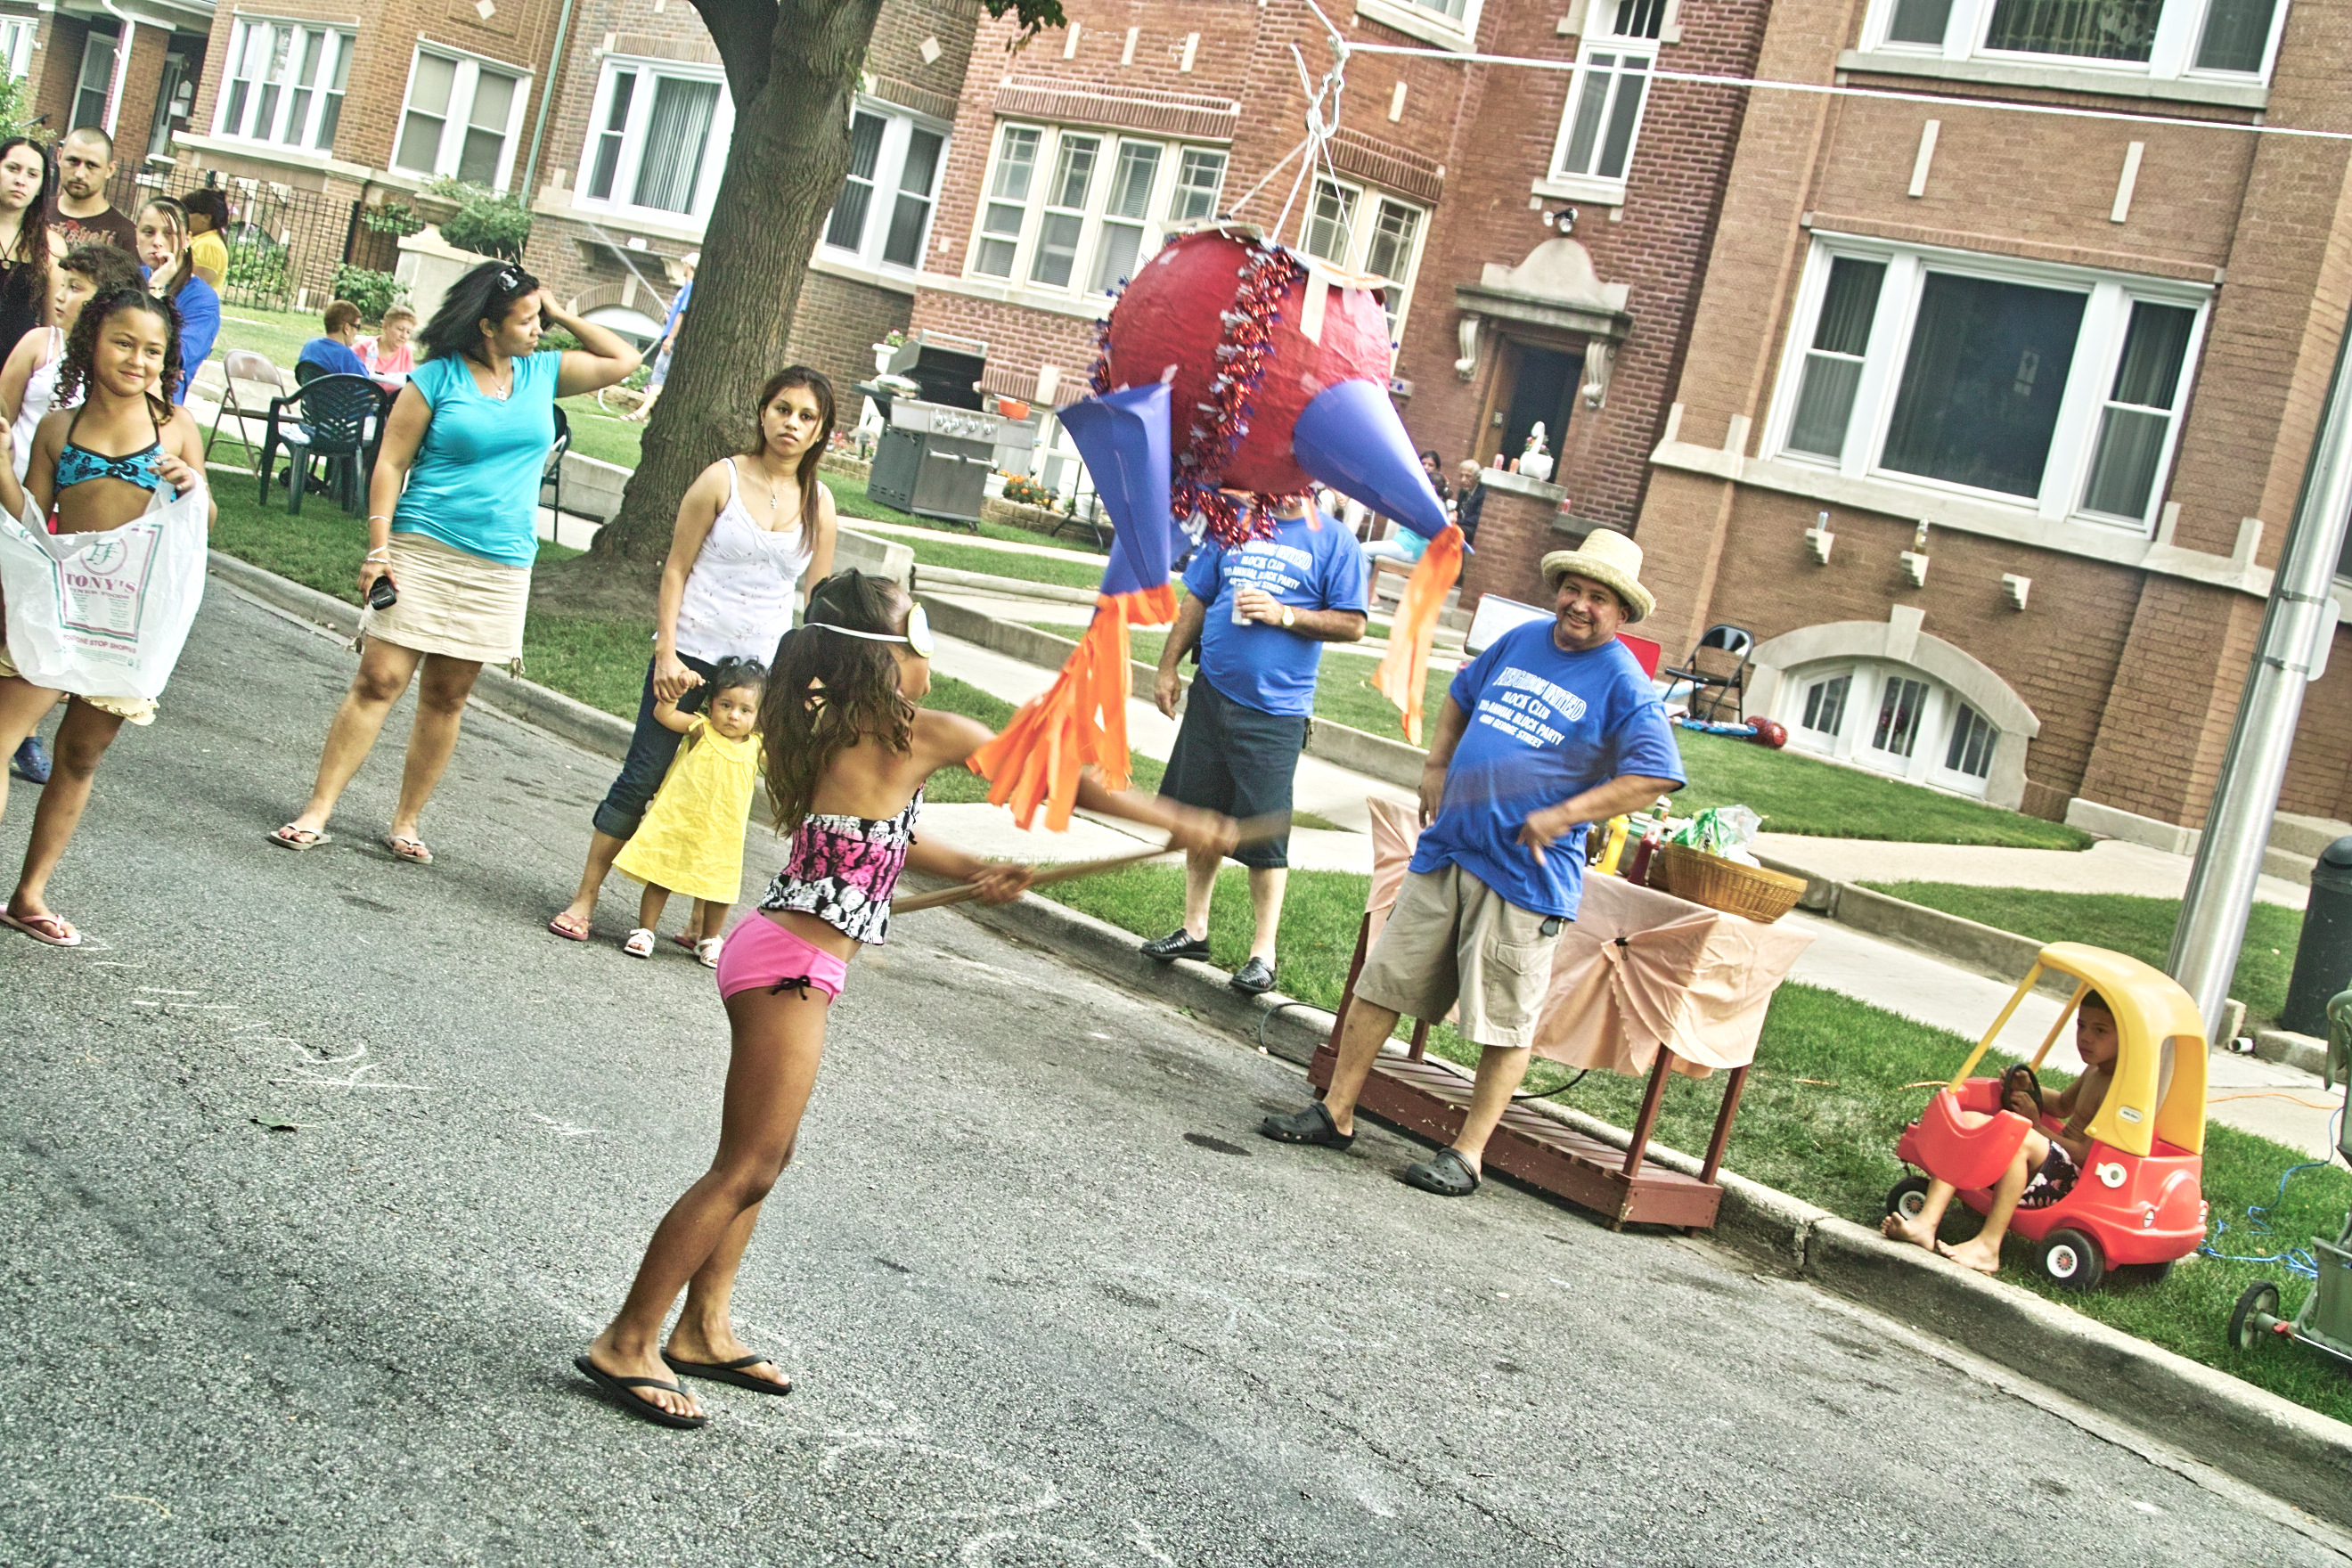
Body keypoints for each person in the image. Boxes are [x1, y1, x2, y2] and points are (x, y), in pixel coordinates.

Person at [573, 570, 1239, 1427]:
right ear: (886, 654)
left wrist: (974, 869)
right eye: (918, 631)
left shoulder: (838, 728)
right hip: (789, 970)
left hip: (779, 956)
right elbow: (1051, 774)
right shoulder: (918, 731)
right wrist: (1181, 821)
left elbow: (889, 833)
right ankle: (627, 1339)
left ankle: (703, 1328)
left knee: (764, 1159)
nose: (931, 653)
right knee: (745, 1167)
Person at [1260, 530, 1686, 1196]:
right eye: (1573, 589)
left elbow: (1656, 775)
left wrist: (1566, 815)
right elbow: (1461, 694)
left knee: (1506, 1022)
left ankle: (1467, 1155)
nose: (1579, 604)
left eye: (1598, 598)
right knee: (1381, 983)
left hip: (1525, 877)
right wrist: (1436, 763)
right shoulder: (1522, 641)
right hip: (1450, 846)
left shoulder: (1625, 684)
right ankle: (1335, 1113)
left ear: (1621, 612)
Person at [267, 262, 639, 862]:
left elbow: (625, 360)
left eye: (539, 320)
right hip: (424, 546)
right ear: (487, 326)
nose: (538, 330)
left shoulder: (542, 372)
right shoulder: (435, 379)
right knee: (379, 679)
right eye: (526, 320)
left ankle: (407, 822)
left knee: (447, 696)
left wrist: (558, 311)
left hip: (499, 563)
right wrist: (379, 549)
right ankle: (318, 809)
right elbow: (390, 464)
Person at [549, 366, 838, 942]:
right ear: (763, 412)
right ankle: (585, 897)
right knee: (643, 778)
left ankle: (698, 923)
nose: (792, 423)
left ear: (820, 431)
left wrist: (812, 681)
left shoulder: (820, 503)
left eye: (807, 416)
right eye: (783, 409)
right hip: (691, 657)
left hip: (758, 679)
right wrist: (666, 653)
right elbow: (676, 569)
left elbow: (818, 604)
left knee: (722, 797)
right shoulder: (720, 479)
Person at [0, 283, 214, 946]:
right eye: (123, 343)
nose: (137, 360)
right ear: (91, 341)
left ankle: (29, 895)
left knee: (80, 757)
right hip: (58, 605)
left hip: (130, 621)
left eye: (152, 350)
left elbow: (204, 520)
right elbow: (28, 520)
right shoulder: (59, 428)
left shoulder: (176, 427)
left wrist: (193, 486)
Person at [1144, 492, 1368, 997]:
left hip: (1276, 712)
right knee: (1200, 817)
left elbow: (1353, 623)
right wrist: (1167, 666)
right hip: (1212, 693)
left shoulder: (1336, 542)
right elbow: (1197, 598)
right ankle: (1194, 930)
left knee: (1265, 833)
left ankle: (1263, 955)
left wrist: (1283, 614)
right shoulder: (1233, 524)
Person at [0, 241, 136, 790]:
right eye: (62, 282)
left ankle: (25, 729)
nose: (61, 294)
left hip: (69, 523)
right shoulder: (40, 343)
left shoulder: (119, 372)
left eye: (77, 287)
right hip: (16, 500)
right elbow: (5, 405)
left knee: (36, 632)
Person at [1882, 995, 2122, 1274]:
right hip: (2051, 1159)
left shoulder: (2120, 1090)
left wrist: (2037, 1126)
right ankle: (1926, 1223)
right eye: (2081, 1026)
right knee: (1971, 1122)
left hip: (2068, 1181)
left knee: (2018, 1137)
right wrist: (2028, 1088)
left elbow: (2085, 1155)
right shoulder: (2094, 1070)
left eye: (2100, 1031)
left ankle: (1988, 1247)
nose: (2086, 1037)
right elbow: (2062, 1105)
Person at [612, 657, 766, 965]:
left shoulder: (756, 747)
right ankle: (645, 930)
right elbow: (663, 714)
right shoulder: (701, 729)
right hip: (680, 822)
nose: (733, 715)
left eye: (745, 710)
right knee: (661, 876)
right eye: (725, 705)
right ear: (711, 704)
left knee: (719, 889)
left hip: (723, 833)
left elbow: (789, 762)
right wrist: (680, 690)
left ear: (758, 716)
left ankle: (708, 938)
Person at [134, 198, 218, 403]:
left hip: (159, 404)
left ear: (187, 240)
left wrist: (156, 287)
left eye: (168, 234)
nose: (157, 242)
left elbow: (172, 358)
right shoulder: (128, 278)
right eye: (148, 232)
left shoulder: (202, 299)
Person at [0, 136, 57, 367]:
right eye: (13, 168)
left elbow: (53, 328)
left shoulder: (51, 246)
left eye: (32, 174)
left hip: (17, 371)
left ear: (41, 186)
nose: (20, 180)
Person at [625, 250, 695, 423]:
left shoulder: (691, 287)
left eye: (684, 263)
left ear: (689, 266)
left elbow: (683, 314)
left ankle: (641, 413)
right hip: (670, 338)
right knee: (661, 378)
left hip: (672, 342)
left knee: (659, 378)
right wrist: (669, 319)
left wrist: (671, 338)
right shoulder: (685, 288)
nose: (683, 265)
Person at [49, 128, 136, 255]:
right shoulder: (33, 212)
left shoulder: (126, 235)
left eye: (91, 165)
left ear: (110, 169)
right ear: (59, 157)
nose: (79, 174)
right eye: (73, 161)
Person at [298, 300, 372, 380]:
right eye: (357, 327)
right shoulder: (347, 357)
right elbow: (367, 386)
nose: (357, 331)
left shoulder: (310, 346)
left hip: (310, 388)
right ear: (346, 328)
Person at [355, 305, 418, 386]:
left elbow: (410, 384)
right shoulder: (362, 348)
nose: (404, 336)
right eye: (400, 329)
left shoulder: (406, 352)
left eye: (408, 332)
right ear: (385, 326)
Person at [180, 187, 229, 290]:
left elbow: (193, 287)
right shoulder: (200, 240)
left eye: (186, 212)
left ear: (207, 218)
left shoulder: (208, 245)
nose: (181, 217)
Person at [1453, 459, 1487, 547]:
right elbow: (1457, 511)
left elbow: (1476, 519)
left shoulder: (1482, 493)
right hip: (1461, 525)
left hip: (1471, 529)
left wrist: (1457, 521)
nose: (1463, 480)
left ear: (1477, 478)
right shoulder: (1462, 492)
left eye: (1468, 476)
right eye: (1461, 476)